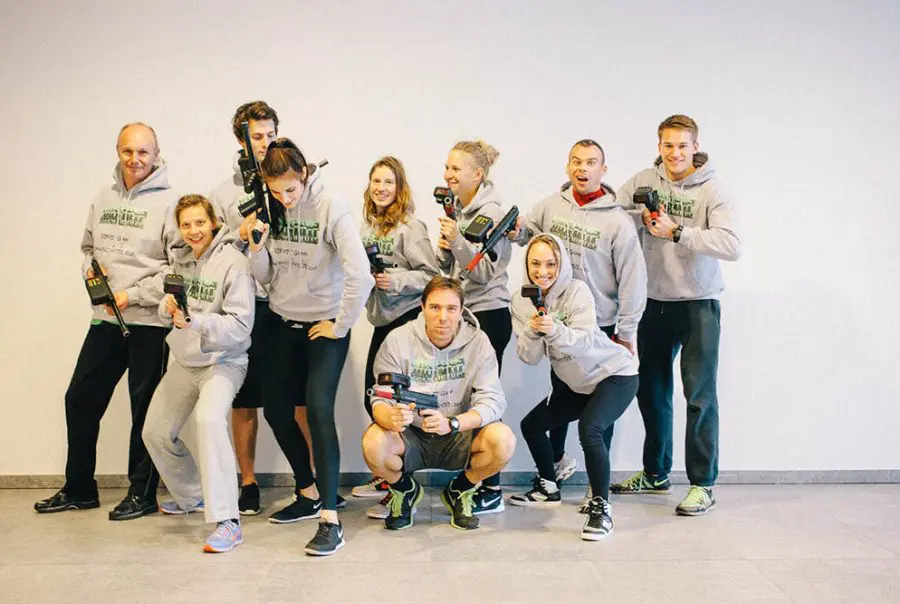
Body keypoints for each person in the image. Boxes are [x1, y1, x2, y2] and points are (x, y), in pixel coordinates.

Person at [34, 123, 179, 521]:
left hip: (150, 323)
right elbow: (88, 248)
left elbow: (177, 268)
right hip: (105, 319)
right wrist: (90, 272)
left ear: (156, 154)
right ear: (118, 151)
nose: (135, 159)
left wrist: (133, 294)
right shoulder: (103, 198)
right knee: (80, 399)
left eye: (143, 152)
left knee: (144, 409)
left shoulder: (171, 203)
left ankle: (141, 493)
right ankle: (79, 488)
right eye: (128, 151)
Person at [243, 137, 374, 556]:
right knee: (277, 410)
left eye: (291, 189)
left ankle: (330, 519)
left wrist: (340, 325)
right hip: (282, 321)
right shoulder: (269, 207)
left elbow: (361, 274)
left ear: (303, 174)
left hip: (323, 326)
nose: (285, 198)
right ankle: (308, 491)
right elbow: (265, 276)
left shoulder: (331, 205)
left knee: (318, 409)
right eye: (276, 191)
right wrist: (256, 247)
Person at [612, 114, 742, 516]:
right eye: (668, 145)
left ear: (695, 147)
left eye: (682, 145)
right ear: (659, 146)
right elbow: (612, 216)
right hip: (653, 302)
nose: (675, 153)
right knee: (651, 392)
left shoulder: (713, 190)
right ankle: (656, 474)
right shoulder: (642, 181)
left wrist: (677, 232)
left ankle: (703, 484)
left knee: (699, 397)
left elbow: (731, 245)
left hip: (699, 304)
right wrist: (637, 220)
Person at [508, 139, 646, 499]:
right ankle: (553, 470)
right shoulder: (551, 206)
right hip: (554, 312)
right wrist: (515, 231)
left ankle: (595, 489)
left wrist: (627, 330)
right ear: (568, 166)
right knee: (563, 391)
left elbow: (633, 279)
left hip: (599, 322)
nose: (582, 168)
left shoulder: (617, 221)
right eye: (576, 161)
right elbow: (528, 235)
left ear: (603, 169)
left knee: (596, 419)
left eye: (590, 162)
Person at [209, 100, 316, 515]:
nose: (265, 143)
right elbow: (212, 249)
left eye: (271, 134)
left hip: (287, 305)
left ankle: (312, 482)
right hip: (244, 305)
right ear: (241, 140)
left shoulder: (293, 182)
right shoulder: (223, 194)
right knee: (245, 399)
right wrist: (238, 234)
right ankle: (249, 482)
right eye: (257, 136)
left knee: (300, 399)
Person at [142, 194, 255, 553]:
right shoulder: (179, 260)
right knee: (155, 432)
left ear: (215, 223)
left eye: (200, 222)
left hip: (225, 362)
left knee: (209, 420)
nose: (193, 231)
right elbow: (170, 313)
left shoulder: (235, 262)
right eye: (186, 224)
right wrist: (167, 308)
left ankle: (228, 521)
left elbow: (241, 326)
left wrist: (196, 321)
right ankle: (194, 496)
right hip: (186, 361)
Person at [509, 234, 638, 540]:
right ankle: (548, 486)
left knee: (590, 429)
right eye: (535, 264)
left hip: (615, 374)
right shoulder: (520, 301)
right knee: (531, 425)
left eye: (550, 264)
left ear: (562, 264)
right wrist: (533, 332)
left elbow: (584, 342)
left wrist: (554, 329)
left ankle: (601, 508)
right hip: (577, 384)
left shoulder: (577, 291)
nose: (542, 272)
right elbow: (530, 357)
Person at [361, 277, 516, 531]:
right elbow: (379, 397)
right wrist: (392, 418)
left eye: (451, 308)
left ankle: (461, 490)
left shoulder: (478, 342)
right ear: (422, 307)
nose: (443, 317)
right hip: (410, 434)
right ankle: (404, 490)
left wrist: (453, 423)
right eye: (435, 307)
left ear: (461, 311)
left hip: (457, 432)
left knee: (504, 440)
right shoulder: (397, 339)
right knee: (373, 442)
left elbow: (493, 400)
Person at [351, 156, 440, 512]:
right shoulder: (367, 227)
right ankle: (388, 472)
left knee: (397, 405)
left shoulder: (411, 227)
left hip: (405, 321)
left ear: (400, 187)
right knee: (374, 399)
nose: (381, 188)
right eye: (376, 181)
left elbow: (432, 275)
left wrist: (396, 280)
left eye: (388, 182)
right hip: (381, 321)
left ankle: (402, 487)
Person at [436, 139, 512, 513]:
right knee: (466, 399)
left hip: (490, 316)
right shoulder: (458, 210)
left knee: (485, 399)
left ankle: (490, 488)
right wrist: (446, 246)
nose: (448, 175)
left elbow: (483, 272)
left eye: (456, 169)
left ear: (477, 174)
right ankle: (472, 480)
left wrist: (458, 242)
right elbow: (452, 267)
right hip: (465, 318)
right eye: (447, 167)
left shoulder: (493, 213)